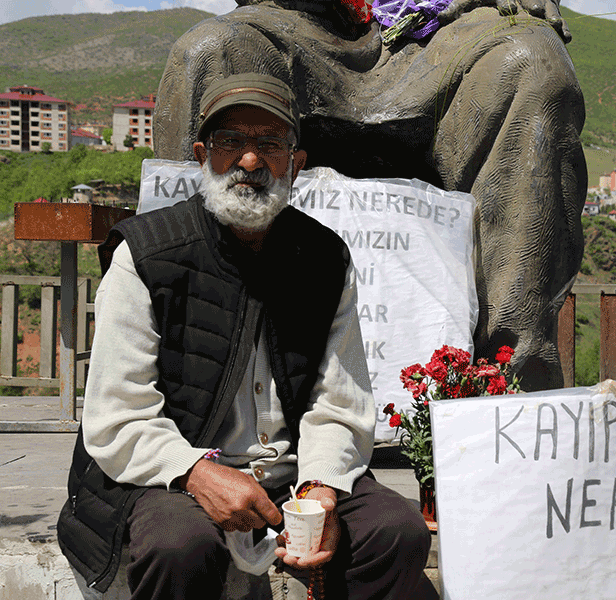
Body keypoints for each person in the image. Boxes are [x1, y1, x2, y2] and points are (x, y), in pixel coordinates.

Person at [57, 73, 433, 600]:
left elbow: (339, 401)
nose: (250, 162)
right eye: (230, 142)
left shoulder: (324, 257)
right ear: (201, 156)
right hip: (173, 472)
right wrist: (195, 472)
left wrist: (321, 484)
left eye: (270, 144)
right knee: (179, 545)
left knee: (396, 531)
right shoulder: (145, 254)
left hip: (290, 474)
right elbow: (118, 415)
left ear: (295, 163)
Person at [154, 0, 588, 391]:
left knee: (534, 64)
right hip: (305, 20)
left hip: (439, 32)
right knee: (210, 50)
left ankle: (508, 388)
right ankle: (191, 376)